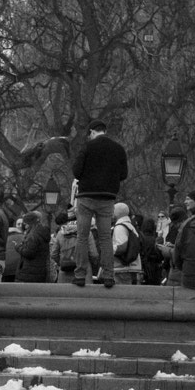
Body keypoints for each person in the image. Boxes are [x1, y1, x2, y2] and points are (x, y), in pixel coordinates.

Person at [71, 119, 127, 289]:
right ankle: (109, 275)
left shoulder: (87, 147)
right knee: (105, 238)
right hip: (107, 197)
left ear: (92, 132)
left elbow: (76, 171)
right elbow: (123, 174)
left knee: (82, 235)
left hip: (87, 196)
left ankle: (80, 275)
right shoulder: (118, 149)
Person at [11, 211, 54, 282]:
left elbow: (29, 252)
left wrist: (17, 247)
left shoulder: (33, 235)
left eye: (25, 223)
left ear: (29, 223)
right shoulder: (42, 232)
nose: (25, 226)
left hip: (28, 272)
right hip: (40, 271)